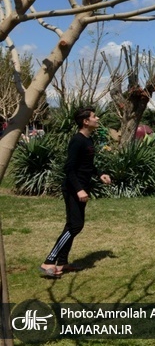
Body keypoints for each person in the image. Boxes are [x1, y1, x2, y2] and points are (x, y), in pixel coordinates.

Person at [40, 107, 112, 278]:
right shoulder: (77, 141)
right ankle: (49, 262)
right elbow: (69, 168)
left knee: (72, 225)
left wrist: (100, 173)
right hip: (73, 188)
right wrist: (79, 190)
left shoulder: (89, 140)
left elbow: (88, 164)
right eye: (94, 117)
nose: (97, 118)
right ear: (86, 121)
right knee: (75, 225)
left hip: (82, 187)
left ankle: (62, 263)